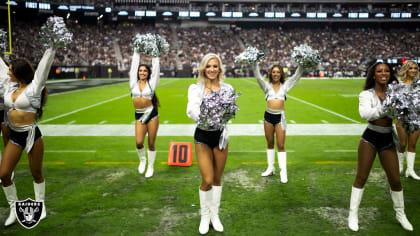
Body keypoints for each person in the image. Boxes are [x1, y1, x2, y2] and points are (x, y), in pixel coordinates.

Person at [348, 62, 413, 232]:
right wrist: (388, 105)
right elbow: (366, 114)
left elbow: (402, 113)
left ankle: (400, 214)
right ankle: (353, 215)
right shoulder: (365, 94)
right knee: (361, 178)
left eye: (386, 71)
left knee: (395, 179)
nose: (383, 73)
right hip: (370, 138)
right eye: (379, 71)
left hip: (387, 138)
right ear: (373, 75)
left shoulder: (395, 92)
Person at [0, 48, 55, 226]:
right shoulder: (9, 87)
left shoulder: (34, 87)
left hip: (32, 135)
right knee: (4, 174)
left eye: (11, 70)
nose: (8, 72)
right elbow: (1, 68)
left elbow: (43, 68)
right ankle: (14, 209)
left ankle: (41, 205)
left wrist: (52, 47)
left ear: (18, 72)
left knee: (36, 173)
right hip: (14, 135)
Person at [187, 53, 232, 234]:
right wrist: (209, 119)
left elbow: (229, 112)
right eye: (208, 66)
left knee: (217, 179)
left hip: (221, 136)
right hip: (203, 136)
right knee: (207, 179)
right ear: (203, 69)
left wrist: (223, 116)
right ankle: (205, 216)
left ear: (219, 68)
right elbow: (191, 110)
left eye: (215, 66)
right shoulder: (195, 88)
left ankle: (215, 215)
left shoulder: (228, 88)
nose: (212, 69)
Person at [252, 62, 303, 183]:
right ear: (270, 73)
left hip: (280, 117)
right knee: (270, 143)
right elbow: (258, 77)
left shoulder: (285, 85)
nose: (276, 74)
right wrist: (254, 64)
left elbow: (296, 76)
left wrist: (302, 64)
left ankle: (283, 172)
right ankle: (270, 168)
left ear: (281, 74)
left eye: (278, 72)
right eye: (273, 72)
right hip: (268, 117)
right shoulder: (266, 86)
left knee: (280, 145)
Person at [129, 50, 160, 178]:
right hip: (139, 115)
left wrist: (154, 53)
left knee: (151, 143)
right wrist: (136, 52)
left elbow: (156, 68)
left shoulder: (151, 83)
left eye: (145, 71)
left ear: (148, 74)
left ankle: (151, 166)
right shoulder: (133, 83)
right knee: (139, 142)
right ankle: (142, 160)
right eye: (140, 71)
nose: (142, 72)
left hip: (151, 114)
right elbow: (133, 66)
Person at [395, 60, 420, 180]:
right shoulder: (398, 84)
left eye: (415, 68)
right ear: (406, 69)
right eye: (411, 68)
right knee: (403, 144)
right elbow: (393, 103)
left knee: (413, 144)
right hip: (401, 118)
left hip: (416, 118)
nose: (413, 71)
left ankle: (410, 170)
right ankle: (400, 167)